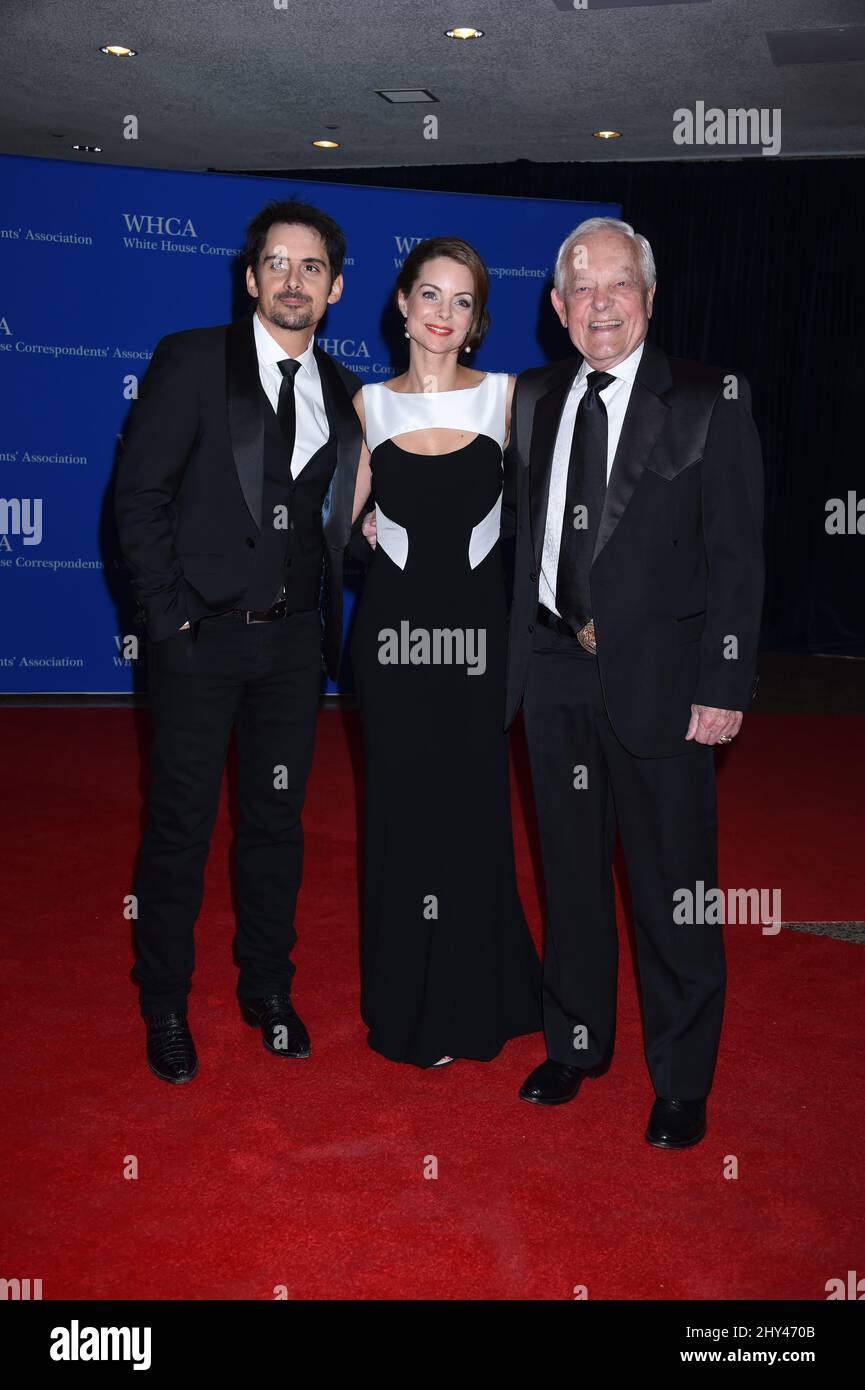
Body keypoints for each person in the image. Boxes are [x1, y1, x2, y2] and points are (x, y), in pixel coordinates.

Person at [504, 217, 764, 1146]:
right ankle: (575, 1044)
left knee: (671, 887)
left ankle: (682, 1079)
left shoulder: (704, 399)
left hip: (662, 680)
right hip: (549, 671)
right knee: (569, 874)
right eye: (582, 289)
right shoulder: (532, 397)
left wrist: (725, 684)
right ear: (557, 307)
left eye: (619, 286)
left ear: (648, 300)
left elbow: (737, 553)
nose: (600, 303)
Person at [115, 199, 363, 1084]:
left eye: (309, 268)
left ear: (334, 288)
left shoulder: (342, 392)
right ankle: (165, 1003)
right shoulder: (190, 360)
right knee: (178, 830)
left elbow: (342, 521)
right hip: (198, 643)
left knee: (274, 827)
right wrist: (171, 616)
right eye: (276, 264)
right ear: (250, 276)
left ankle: (266, 989)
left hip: (293, 652)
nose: (291, 281)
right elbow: (135, 500)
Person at [350, 237, 542, 1069]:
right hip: (389, 644)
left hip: (474, 644)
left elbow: (547, 519)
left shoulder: (506, 401)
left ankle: (479, 1001)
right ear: (401, 303)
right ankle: (410, 1010)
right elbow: (327, 536)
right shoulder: (366, 406)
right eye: (429, 294)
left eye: (460, 301)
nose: (441, 314)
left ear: (476, 319)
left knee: (469, 818)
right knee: (399, 819)